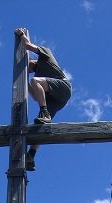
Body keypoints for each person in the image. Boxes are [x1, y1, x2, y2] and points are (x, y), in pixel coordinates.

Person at [14, 27, 72, 172]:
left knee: (36, 82)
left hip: (63, 87)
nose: (29, 69)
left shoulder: (45, 54)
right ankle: (31, 155)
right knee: (41, 125)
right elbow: (35, 96)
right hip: (55, 99)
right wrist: (23, 82)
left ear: (31, 60)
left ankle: (44, 111)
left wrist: (21, 34)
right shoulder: (37, 77)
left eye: (29, 66)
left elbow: (27, 46)